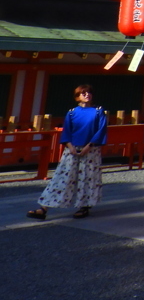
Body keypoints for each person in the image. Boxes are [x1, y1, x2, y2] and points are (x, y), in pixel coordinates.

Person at [27, 84, 107, 220]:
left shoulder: (98, 111)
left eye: (89, 93)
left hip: (91, 149)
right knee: (61, 178)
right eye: (83, 93)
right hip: (72, 148)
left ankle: (84, 206)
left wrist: (89, 145)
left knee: (87, 178)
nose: (87, 95)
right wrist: (70, 146)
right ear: (77, 97)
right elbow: (67, 131)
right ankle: (44, 207)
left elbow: (101, 130)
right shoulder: (72, 112)